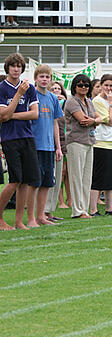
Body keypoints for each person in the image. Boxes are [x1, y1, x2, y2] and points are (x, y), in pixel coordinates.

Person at [0, 53, 39, 230]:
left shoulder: (29, 87)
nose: (16, 69)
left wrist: (11, 115)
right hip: (10, 137)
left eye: (19, 66)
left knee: (25, 181)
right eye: (13, 66)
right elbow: (3, 115)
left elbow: (34, 113)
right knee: (14, 179)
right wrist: (18, 95)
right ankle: (0, 218)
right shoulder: (2, 88)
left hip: (27, 136)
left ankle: (18, 220)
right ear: (7, 68)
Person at [26, 65, 63, 227]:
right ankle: (30, 218)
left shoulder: (53, 98)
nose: (44, 80)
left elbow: (55, 123)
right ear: (35, 78)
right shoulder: (30, 95)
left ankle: (41, 216)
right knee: (34, 182)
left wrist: (58, 147)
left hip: (49, 146)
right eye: (41, 76)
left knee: (47, 182)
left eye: (47, 77)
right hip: (34, 145)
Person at [65, 74, 101, 219]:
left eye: (86, 85)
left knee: (87, 177)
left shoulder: (88, 101)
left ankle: (84, 209)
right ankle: (77, 210)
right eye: (80, 85)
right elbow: (83, 120)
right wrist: (95, 120)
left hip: (89, 141)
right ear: (75, 86)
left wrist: (95, 120)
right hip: (76, 141)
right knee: (76, 177)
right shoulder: (72, 102)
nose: (83, 87)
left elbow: (99, 118)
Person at [91, 73, 112, 216]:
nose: (109, 88)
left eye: (111, 86)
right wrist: (110, 104)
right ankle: (93, 209)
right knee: (98, 176)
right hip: (101, 142)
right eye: (106, 85)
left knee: (110, 176)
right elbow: (108, 119)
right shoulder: (97, 101)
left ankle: (109, 207)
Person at [48, 81, 72, 210]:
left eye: (58, 88)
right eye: (53, 89)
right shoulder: (50, 102)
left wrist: (64, 102)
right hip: (56, 139)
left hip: (67, 138)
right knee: (60, 172)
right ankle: (60, 200)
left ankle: (70, 199)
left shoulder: (67, 103)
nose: (57, 90)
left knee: (68, 172)